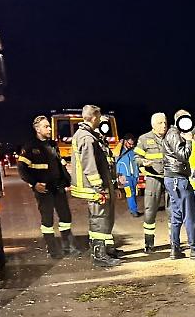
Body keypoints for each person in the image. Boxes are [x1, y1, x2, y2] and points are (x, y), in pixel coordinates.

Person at [17, 115, 79, 258]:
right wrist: (34, 184)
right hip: (43, 190)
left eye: (49, 126)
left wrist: (67, 182)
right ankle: (53, 251)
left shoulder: (52, 145)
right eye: (46, 126)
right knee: (48, 221)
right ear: (38, 129)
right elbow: (22, 169)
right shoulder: (30, 147)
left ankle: (68, 246)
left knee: (65, 218)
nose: (50, 129)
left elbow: (59, 165)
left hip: (58, 187)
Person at [69, 104, 122, 268]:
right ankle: (99, 255)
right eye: (98, 117)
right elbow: (90, 167)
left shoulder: (90, 135)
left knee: (103, 219)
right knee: (98, 220)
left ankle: (105, 250)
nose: (100, 120)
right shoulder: (86, 138)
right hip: (95, 189)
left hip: (100, 187)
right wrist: (99, 188)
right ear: (93, 117)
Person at [162, 109, 195, 260]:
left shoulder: (171, 134)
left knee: (176, 215)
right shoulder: (174, 134)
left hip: (173, 179)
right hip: (178, 180)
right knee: (189, 214)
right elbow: (183, 155)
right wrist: (189, 140)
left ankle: (175, 249)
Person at [135, 113, 168, 253]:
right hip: (153, 178)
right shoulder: (144, 139)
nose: (164, 125)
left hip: (169, 178)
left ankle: (175, 242)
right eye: (160, 123)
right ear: (153, 125)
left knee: (174, 211)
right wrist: (143, 162)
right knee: (150, 211)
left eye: (165, 122)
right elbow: (136, 157)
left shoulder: (171, 136)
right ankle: (149, 243)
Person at [115, 133, 140, 217]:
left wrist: (137, 176)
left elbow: (136, 163)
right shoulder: (119, 151)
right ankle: (134, 211)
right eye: (129, 143)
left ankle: (134, 209)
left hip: (134, 176)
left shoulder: (133, 151)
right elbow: (115, 156)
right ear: (125, 141)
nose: (131, 145)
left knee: (134, 193)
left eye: (132, 144)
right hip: (124, 176)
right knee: (130, 193)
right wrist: (120, 143)